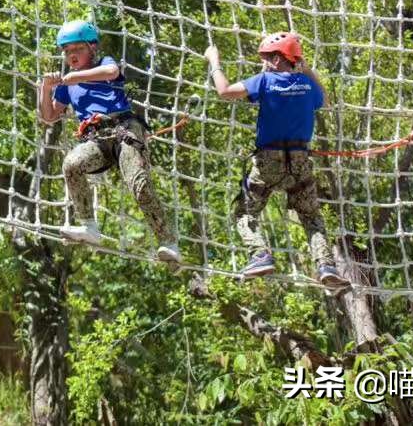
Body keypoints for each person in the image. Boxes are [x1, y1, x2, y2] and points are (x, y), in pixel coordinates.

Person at [205, 32, 346, 289]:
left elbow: (224, 91)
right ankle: (325, 265)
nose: (266, 62)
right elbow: (323, 99)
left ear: (281, 58)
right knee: (310, 216)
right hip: (300, 161)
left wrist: (214, 61)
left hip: (268, 161)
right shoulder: (307, 84)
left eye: (269, 57)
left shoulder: (265, 81)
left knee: (244, 212)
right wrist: (306, 69)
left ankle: (260, 254)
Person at [37, 19, 180, 263]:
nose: (72, 55)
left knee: (139, 183)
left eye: (78, 49)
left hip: (124, 129)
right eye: (67, 51)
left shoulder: (103, 64)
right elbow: (49, 116)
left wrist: (73, 77)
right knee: (71, 164)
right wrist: (46, 87)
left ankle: (168, 241)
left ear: (92, 48)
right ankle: (89, 226)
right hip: (97, 139)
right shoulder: (66, 85)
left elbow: (111, 72)